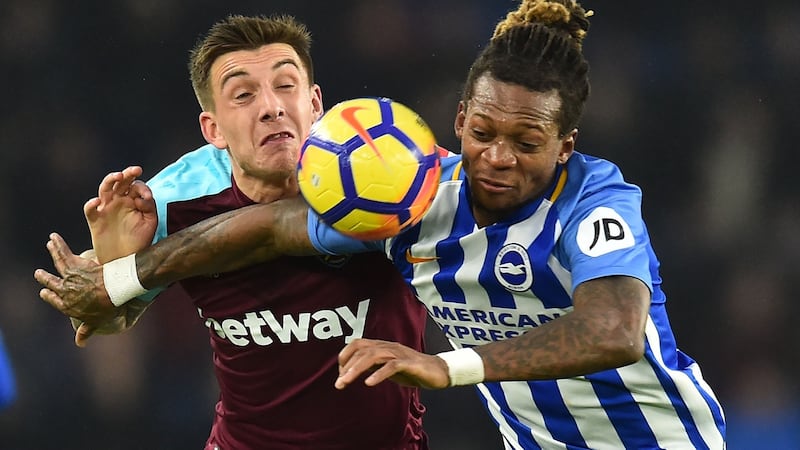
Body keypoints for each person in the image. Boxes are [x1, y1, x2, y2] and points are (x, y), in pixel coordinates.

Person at [35, 1, 727, 448]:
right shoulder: (413, 199)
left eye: (527, 142)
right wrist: (122, 276)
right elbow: (269, 228)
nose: (497, 158)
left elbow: (614, 330)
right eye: (483, 132)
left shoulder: (595, 197)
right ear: (458, 124)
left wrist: (443, 365)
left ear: (564, 146)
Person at [41, 14, 430, 450]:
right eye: (244, 95)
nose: (271, 107)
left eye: (286, 86)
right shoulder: (170, 201)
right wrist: (115, 265)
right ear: (213, 130)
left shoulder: (381, 170)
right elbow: (104, 320)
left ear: (316, 103)